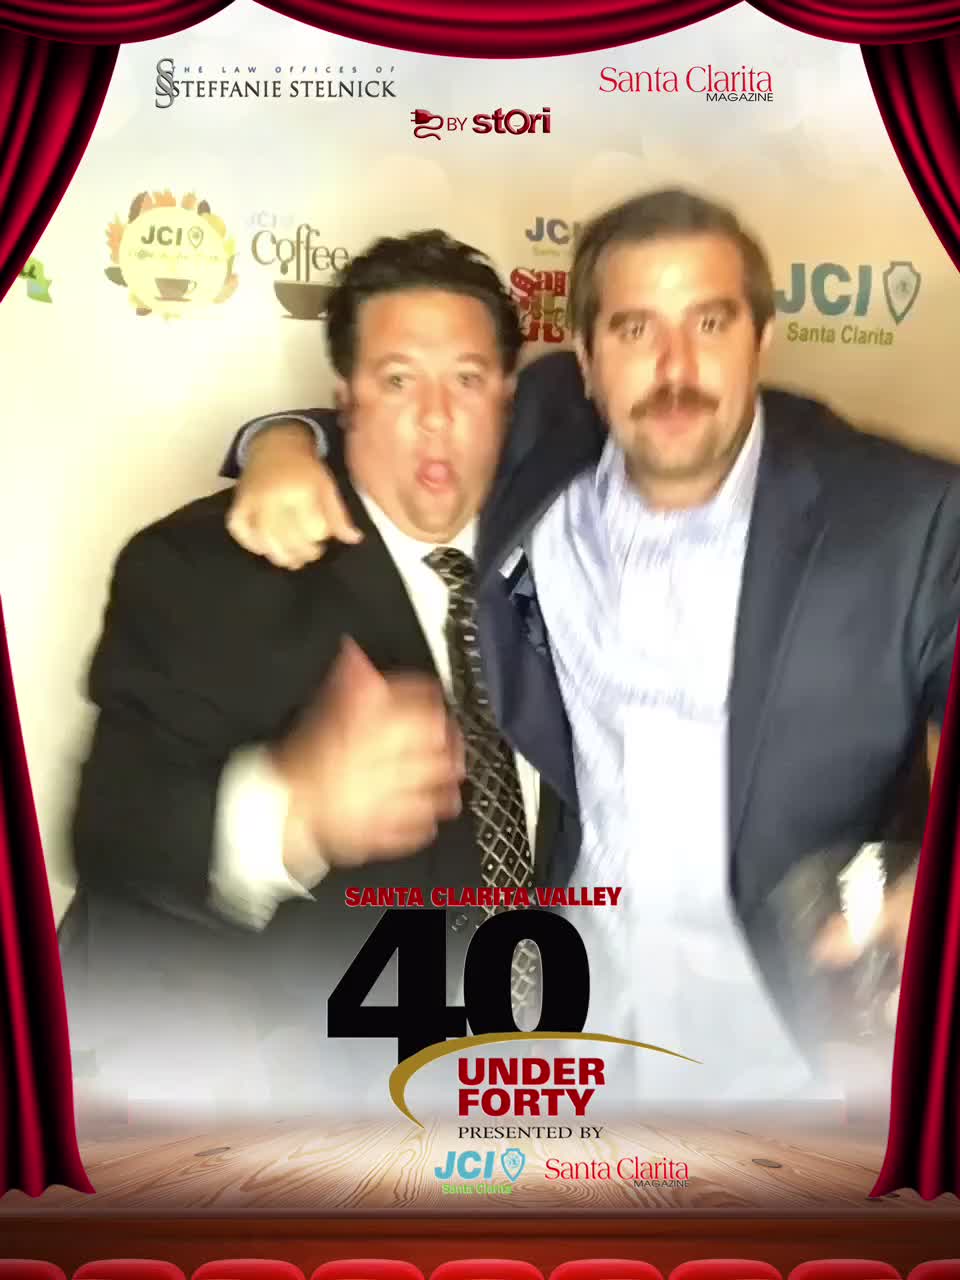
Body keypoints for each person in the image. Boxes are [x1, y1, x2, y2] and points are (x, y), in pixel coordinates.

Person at [215, 188, 958, 1101]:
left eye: (711, 323)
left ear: (761, 339)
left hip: (796, 1051)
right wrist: (280, 445)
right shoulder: (541, 437)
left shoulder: (903, 520)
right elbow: (403, 421)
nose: (676, 368)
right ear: (586, 358)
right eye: (636, 330)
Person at [61, 231, 565, 1111]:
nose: (435, 416)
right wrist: (293, 808)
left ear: (507, 399)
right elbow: (112, 831)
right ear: (346, 400)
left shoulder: (575, 548)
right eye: (397, 380)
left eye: (467, 379)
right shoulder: (205, 566)